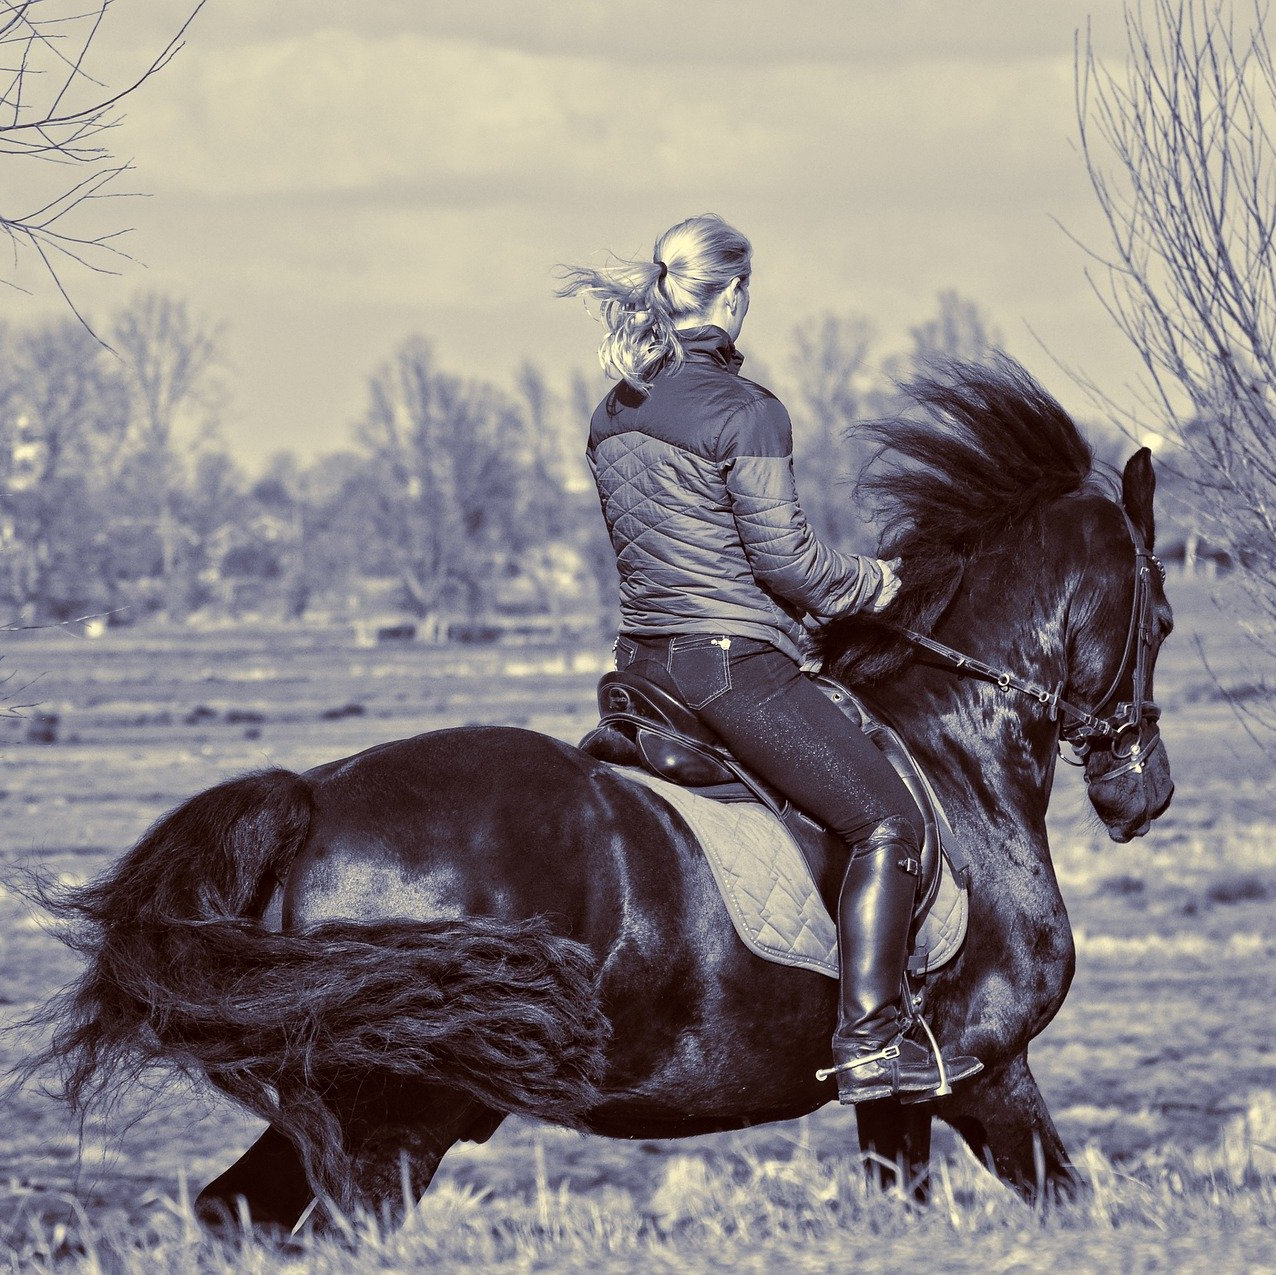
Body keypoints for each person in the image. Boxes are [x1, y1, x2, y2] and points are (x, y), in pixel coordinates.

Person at [559, 213, 982, 1104]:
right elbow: (788, 564)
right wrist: (874, 582)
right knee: (887, 823)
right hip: (730, 667)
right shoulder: (745, 410)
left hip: (642, 673)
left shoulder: (613, 410)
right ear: (734, 293)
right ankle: (870, 1042)